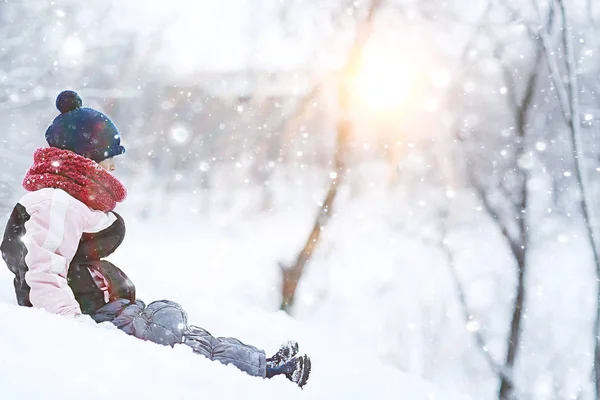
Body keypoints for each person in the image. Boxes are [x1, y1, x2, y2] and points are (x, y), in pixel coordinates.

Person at [0, 90, 311, 388]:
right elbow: (43, 273)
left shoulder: (67, 200)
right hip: (92, 315)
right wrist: (76, 330)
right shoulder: (54, 202)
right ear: (88, 157)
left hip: (105, 308)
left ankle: (261, 365)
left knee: (186, 337)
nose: (114, 166)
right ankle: (261, 376)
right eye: (109, 158)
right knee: (177, 342)